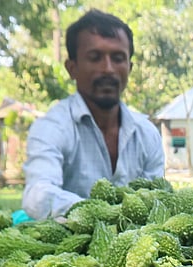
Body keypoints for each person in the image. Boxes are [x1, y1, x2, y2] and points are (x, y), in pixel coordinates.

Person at [21, 10, 164, 220]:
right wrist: (103, 215)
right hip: (66, 247)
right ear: (72, 68)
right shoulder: (51, 127)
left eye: (118, 58)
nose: (108, 69)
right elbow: (38, 195)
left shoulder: (147, 134)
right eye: (95, 58)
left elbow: (157, 201)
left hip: (134, 246)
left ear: (129, 67)